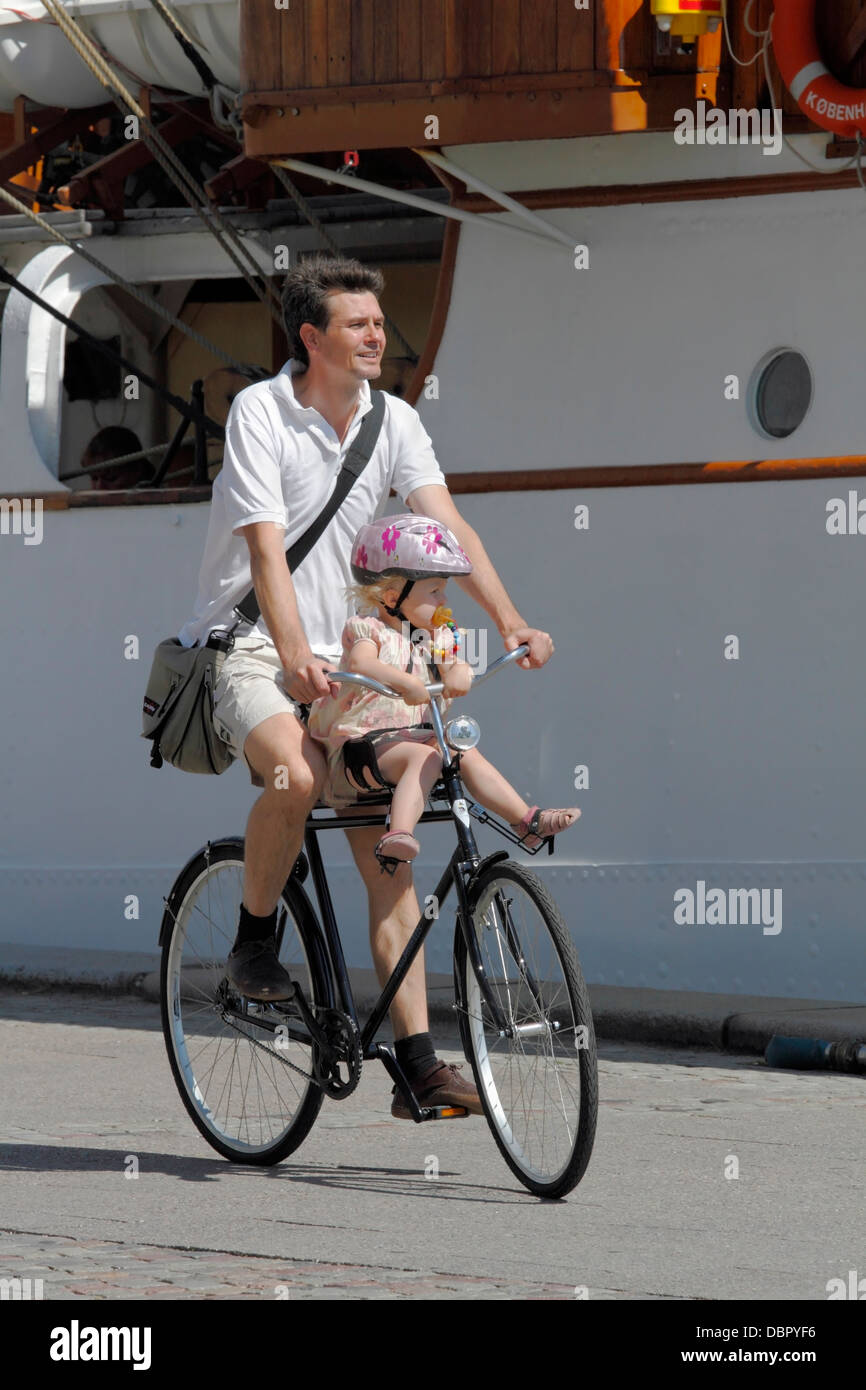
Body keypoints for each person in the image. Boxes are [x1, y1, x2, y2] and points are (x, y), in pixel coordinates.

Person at [177, 252, 557, 1120]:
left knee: (388, 851)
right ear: (311, 337)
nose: (377, 334)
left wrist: (509, 621)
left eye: (380, 322)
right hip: (254, 648)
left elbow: (447, 526)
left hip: (349, 665)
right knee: (297, 776)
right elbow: (267, 549)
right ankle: (252, 943)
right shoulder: (260, 413)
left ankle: (420, 1066)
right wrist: (290, 650)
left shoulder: (394, 421)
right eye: (358, 323)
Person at [306, 513, 580, 878]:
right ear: (392, 596)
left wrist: (459, 672)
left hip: (413, 739)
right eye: (433, 590)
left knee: (463, 748)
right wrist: (404, 683)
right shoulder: (368, 629)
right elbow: (361, 662)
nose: (444, 598)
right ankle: (398, 834)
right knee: (428, 755)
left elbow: (453, 666)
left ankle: (526, 821)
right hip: (359, 748)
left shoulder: (434, 637)